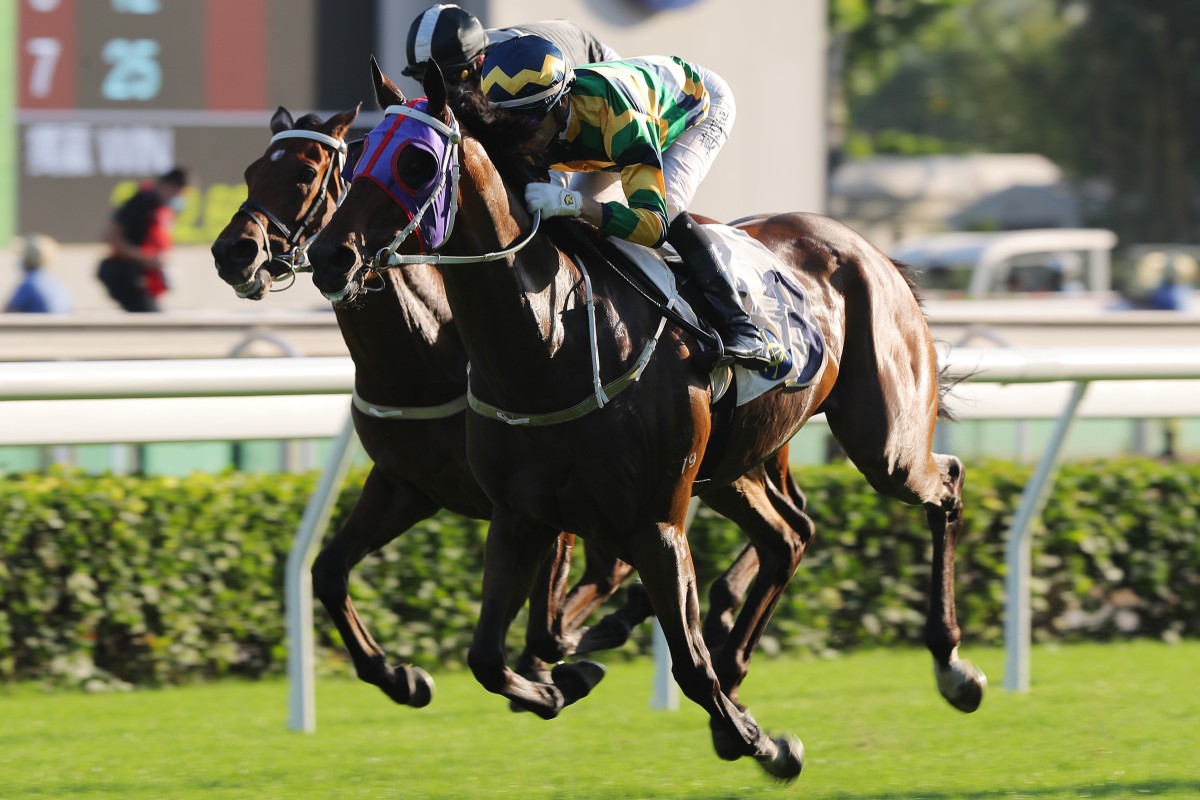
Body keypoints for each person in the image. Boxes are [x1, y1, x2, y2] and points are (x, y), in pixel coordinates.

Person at [477, 35, 772, 368]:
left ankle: (743, 329)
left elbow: (654, 227)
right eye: (509, 125)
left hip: (696, 107)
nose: (520, 136)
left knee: (667, 209)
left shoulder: (621, 120)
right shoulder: (537, 119)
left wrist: (575, 202)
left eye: (529, 122)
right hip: (600, 142)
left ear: (560, 103)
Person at [400, 4, 619, 88]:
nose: (442, 93)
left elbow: (555, 132)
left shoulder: (518, 69)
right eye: (426, 81)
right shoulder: (476, 56)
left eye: (453, 78)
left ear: (480, 61)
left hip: (601, 70)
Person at [97, 166, 189, 312]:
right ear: (169, 186)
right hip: (126, 275)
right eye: (180, 192)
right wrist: (144, 258)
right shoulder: (141, 202)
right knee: (152, 322)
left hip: (143, 278)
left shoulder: (159, 207)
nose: (181, 198)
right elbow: (111, 237)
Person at [5, 233, 72, 313]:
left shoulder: (29, 284)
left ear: (28, 259)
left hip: (43, 325)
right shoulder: (54, 283)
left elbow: (9, 312)